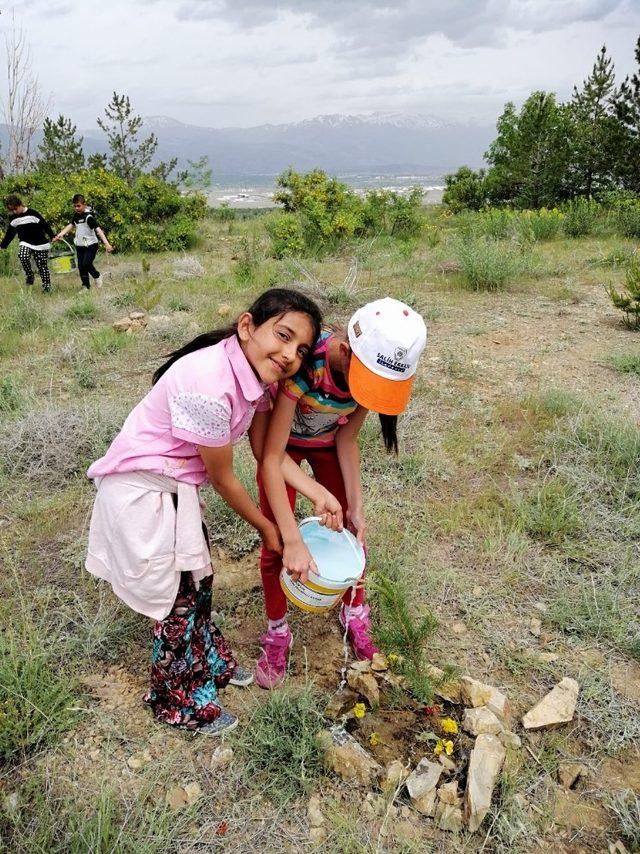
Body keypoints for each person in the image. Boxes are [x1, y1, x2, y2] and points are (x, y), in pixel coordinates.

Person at [85, 288, 325, 735]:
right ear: (247, 325)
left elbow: (264, 452)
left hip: (173, 489)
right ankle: (175, 702)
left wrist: (317, 493)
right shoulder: (210, 385)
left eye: (301, 349)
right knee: (175, 601)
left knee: (199, 579)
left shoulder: (255, 380)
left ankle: (207, 664)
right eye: (284, 335)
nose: (290, 354)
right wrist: (270, 529)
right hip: (143, 494)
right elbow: (225, 478)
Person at [256, 297, 427, 689]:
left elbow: (347, 440)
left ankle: (354, 610)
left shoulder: (369, 378)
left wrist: (357, 507)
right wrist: (316, 492)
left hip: (327, 448)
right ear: (345, 352)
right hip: (284, 451)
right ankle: (278, 629)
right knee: (278, 540)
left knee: (352, 535)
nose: (367, 393)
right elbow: (273, 453)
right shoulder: (305, 366)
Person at [53, 194, 113, 289]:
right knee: (81, 267)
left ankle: (97, 276)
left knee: (86, 263)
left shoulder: (88, 217)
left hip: (91, 245)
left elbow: (99, 230)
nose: (77, 208)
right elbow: (70, 226)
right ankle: (86, 286)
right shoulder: (76, 216)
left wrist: (107, 244)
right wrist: (60, 235)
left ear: (84, 204)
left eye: (79, 206)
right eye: (75, 206)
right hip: (80, 245)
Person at [0, 194, 54, 292]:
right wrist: (3, 246)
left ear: (20, 204)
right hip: (26, 242)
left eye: (15, 208)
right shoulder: (14, 218)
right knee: (23, 255)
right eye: (12, 210)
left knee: (42, 266)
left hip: (40, 243)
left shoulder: (33, 213)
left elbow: (45, 225)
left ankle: (47, 287)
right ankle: (30, 275)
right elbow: (10, 234)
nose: (14, 211)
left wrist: (53, 236)